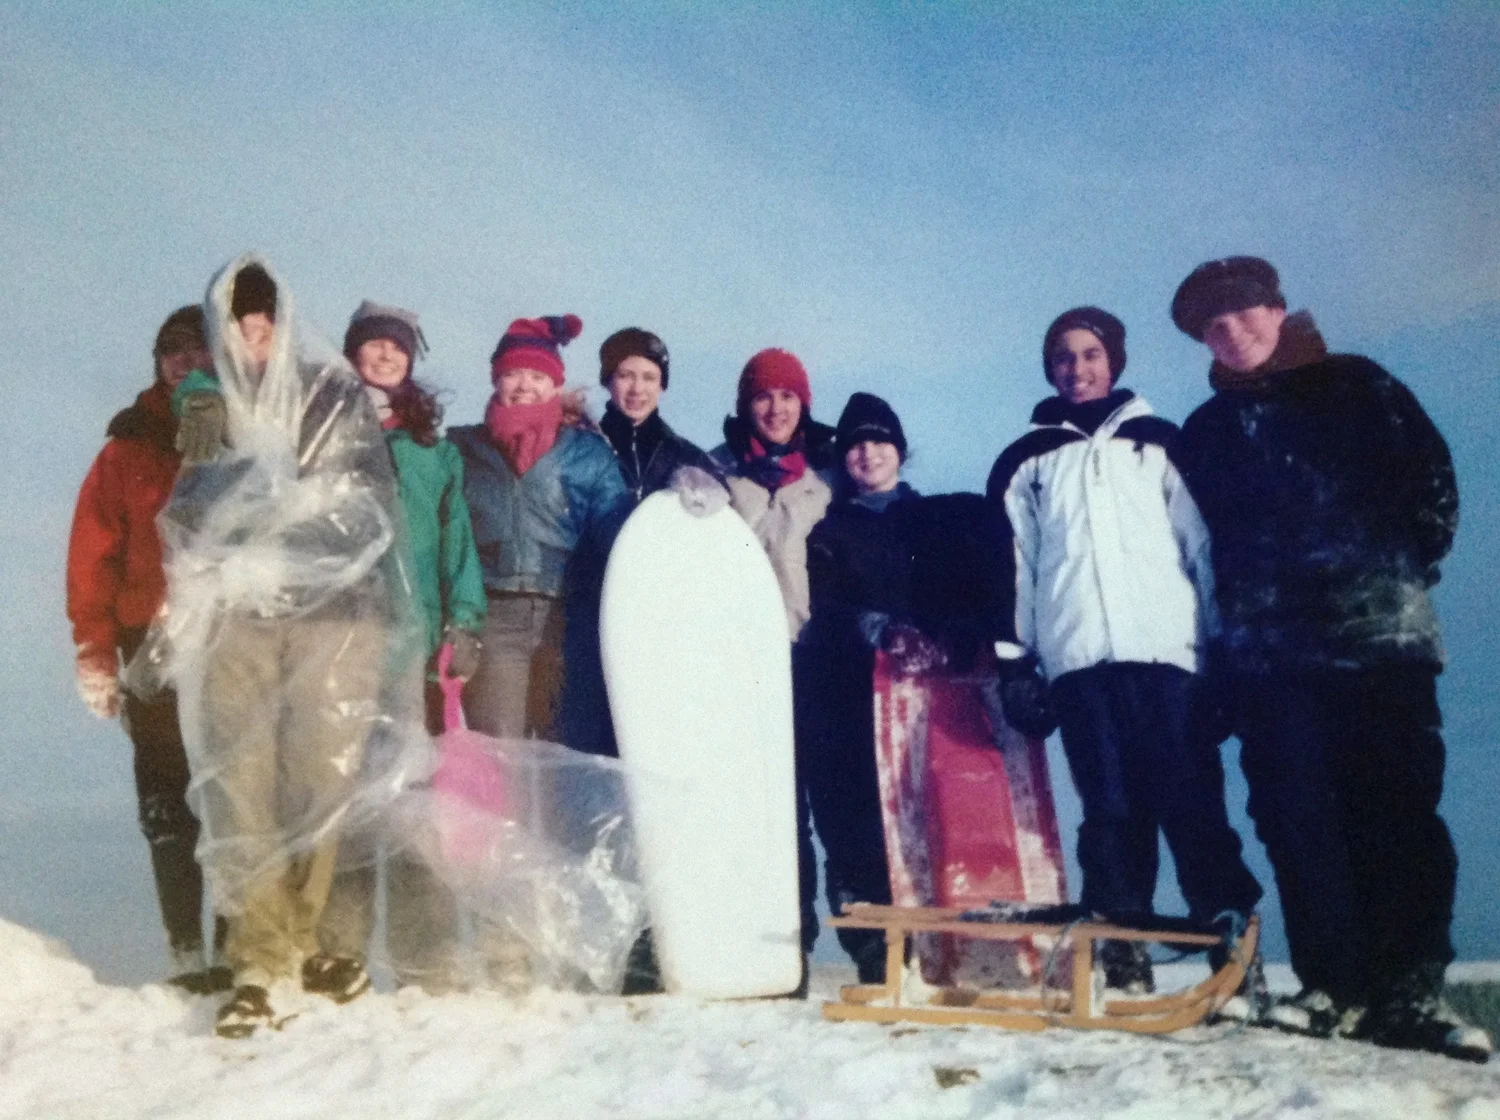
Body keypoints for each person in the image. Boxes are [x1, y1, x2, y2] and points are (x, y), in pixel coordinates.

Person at [1173, 257, 1488, 1061]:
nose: (1232, 331)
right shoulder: (1206, 432)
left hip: (1377, 644)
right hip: (1271, 664)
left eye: (1245, 312)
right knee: (1295, 820)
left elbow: (1433, 488)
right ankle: (1332, 986)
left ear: (1278, 310)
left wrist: (1387, 573)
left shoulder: (1358, 385)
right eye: (1213, 325)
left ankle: (1409, 989)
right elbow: (1201, 550)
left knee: (1398, 811)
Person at [162, 255, 425, 1037]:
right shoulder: (207, 402)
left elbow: (365, 500)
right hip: (238, 618)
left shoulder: (332, 392)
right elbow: (189, 514)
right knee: (240, 783)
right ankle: (257, 958)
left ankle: (303, 943)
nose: (255, 341)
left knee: (320, 780)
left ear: (284, 328)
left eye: (265, 326)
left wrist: (284, 537)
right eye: (240, 328)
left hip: (334, 615)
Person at [987, 306, 1261, 994]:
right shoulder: (1027, 461)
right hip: (1080, 663)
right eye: (1063, 357)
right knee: (1109, 812)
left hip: (1168, 659)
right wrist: (1016, 661)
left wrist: (1222, 653)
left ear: (1113, 360)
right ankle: (1121, 952)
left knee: (1191, 804)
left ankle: (1230, 947)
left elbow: (1202, 548)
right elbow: (1015, 566)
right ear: (1049, 369)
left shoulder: (1159, 441)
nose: (1077, 368)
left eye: (1090, 354)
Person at [317, 300, 487, 993]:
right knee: (347, 804)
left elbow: (456, 542)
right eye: (373, 345)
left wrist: (465, 621)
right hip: (339, 642)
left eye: (397, 347)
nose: (385, 355)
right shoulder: (324, 434)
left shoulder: (431, 451)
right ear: (353, 354)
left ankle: (426, 959)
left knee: (416, 805)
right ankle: (339, 952)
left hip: (414, 647)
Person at [65, 305, 228, 993]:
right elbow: (92, 557)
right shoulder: (127, 447)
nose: (185, 363)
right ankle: (186, 950)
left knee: (231, 792)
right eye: (172, 353)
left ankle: (235, 948)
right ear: (159, 364)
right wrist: (94, 651)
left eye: (199, 351)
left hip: (227, 636)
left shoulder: (246, 431)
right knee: (166, 797)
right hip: (147, 639)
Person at [448, 315, 630, 754]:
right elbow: (446, 535)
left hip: (566, 622)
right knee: (501, 754)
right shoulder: (462, 448)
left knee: (563, 754)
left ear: (555, 384)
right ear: (496, 379)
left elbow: (618, 532)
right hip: (495, 619)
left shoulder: (587, 454)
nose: (525, 385)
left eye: (537, 375)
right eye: (513, 373)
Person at [710, 349, 837, 977]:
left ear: (803, 405)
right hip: (744, 665)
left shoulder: (827, 478)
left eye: (788, 396)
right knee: (763, 808)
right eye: (764, 396)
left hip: (812, 659)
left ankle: (834, 938)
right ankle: (773, 940)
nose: (776, 408)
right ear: (746, 405)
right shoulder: (718, 477)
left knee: (820, 801)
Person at [800, 393, 921, 982]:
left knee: (916, 813)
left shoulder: (932, 520)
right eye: (855, 445)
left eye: (880, 441)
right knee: (853, 820)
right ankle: (873, 947)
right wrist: (869, 626)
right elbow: (824, 603)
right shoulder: (827, 529)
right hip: (847, 691)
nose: (868, 453)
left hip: (922, 694)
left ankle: (935, 937)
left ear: (899, 450)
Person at [596, 327, 721, 505]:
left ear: (661, 385)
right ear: (608, 381)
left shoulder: (689, 459)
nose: (637, 389)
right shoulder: (583, 451)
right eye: (625, 376)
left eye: (649, 378)